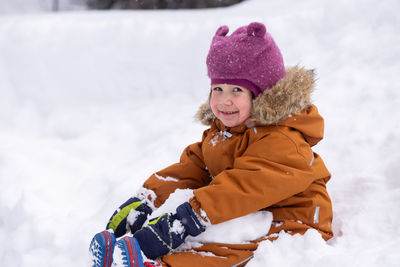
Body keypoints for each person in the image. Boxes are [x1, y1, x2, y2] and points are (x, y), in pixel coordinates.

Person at [89, 22, 333, 267]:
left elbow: (243, 186)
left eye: (237, 89)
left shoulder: (284, 140)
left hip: (293, 220)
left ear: (262, 95)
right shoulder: (227, 130)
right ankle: (135, 256)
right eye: (218, 88)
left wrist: (187, 219)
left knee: (233, 248)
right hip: (247, 208)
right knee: (208, 234)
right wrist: (151, 197)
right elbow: (197, 165)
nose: (224, 100)